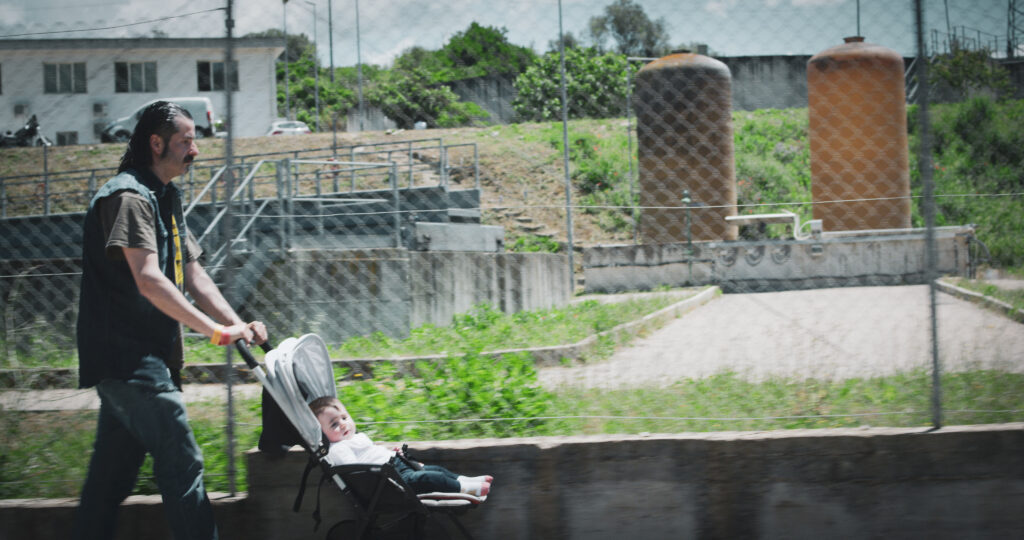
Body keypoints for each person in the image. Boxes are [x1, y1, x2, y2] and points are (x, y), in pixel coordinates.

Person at [74, 100, 268, 540]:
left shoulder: (165, 196)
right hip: (129, 359)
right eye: (185, 141)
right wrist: (216, 332)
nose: (194, 150)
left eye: (194, 141)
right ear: (156, 142)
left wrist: (240, 327)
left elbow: (194, 274)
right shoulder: (127, 198)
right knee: (182, 461)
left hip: (144, 358)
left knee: (109, 482)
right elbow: (148, 279)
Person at [309, 396, 492, 496]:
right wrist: (387, 466)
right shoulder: (339, 449)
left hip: (396, 465)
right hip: (388, 481)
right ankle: (467, 489)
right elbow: (355, 472)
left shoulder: (354, 438)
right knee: (429, 477)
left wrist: (391, 454)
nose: (342, 424)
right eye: (334, 424)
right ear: (322, 434)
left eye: (344, 418)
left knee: (434, 469)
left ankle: (466, 480)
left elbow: (371, 453)